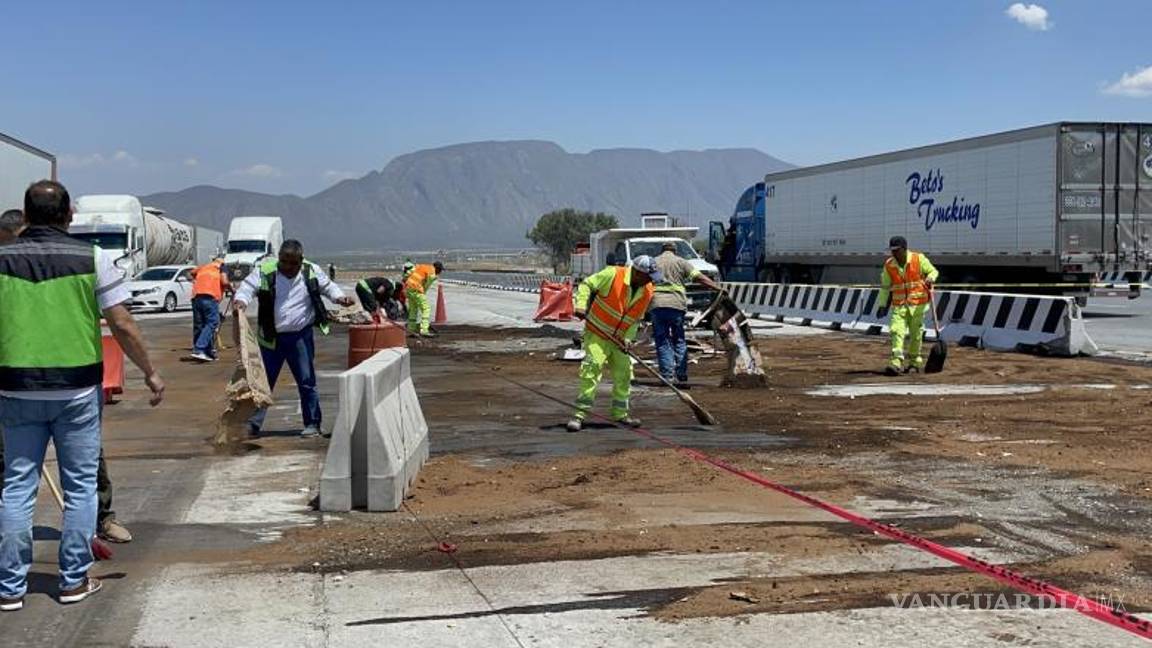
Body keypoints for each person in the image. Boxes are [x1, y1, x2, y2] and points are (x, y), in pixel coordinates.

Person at [0, 180, 164, 611]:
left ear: (26, 213)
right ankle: (72, 581)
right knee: (80, 488)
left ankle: (10, 587)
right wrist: (149, 372)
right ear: (68, 214)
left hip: (17, 389)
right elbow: (123, 324)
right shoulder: (93, 259)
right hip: (75, 391)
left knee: (17, 488)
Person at [0, 209, 133, 545]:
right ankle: (19, 544)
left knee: (85, 467)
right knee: (13, 473)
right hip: (15, 383)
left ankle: (103, 518)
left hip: (66, 382)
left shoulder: (63, 264)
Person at [232, 240, 354, 438]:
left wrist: (340, 298)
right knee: (261, 382)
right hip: (271, 338)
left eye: (292, 263)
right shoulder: (266, 269)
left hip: (299, 337)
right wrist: (241, 302)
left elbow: (328, 287)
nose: (287, 267)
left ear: (301, 261)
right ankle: (253, 424)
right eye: (283, 261)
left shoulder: (310, 271)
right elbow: (247, 287)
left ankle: (313, 423)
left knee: (306, 380)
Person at [566, 255, 658, 432]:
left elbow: (635, 319)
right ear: (638, 273)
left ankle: (621, 414)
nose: (650, 281)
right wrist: (581, 305)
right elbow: (587, 284)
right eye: (648, 277)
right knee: (591, 370)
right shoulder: (613, 274)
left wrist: (628, 339)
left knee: (624, 375)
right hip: (598, 334)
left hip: (619, 340)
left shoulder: (647, 290)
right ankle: (579, 415)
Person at [650, 242, 723, 386]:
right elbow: (700, 278)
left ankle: (667, 375)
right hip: (676, 305)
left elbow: (645, 281)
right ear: (675, 251)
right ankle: (681, 374)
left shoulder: (654, 262)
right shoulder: (681, 262)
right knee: (679, 338)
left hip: (657, 304)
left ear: (662, 250)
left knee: (662, 340)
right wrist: (717, 288)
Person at [876, 236, 939, 376]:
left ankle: (914, 363)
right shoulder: (889, 265)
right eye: (892, 251)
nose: (894, 254)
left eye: (896, 250)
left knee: (916, 335)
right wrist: (882, 304)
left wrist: (930, 278)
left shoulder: (918, 259)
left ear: (904, 249)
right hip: (899, 306)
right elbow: (885, 287)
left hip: (918, 306)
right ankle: (896, 362)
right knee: (896, 331)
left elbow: (933, 271)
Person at [188, 257, 231, 362]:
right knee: (212, 322)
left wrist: (197, 281)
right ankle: (199, 349)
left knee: (200, 325)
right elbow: (225, 282)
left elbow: (190, 274)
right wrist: (232, 289)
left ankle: (207, 352)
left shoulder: (205, 267)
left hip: (196, 297)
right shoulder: (222, 267)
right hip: (210, 297)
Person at [404, 261, 443, 337]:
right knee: (426, 309)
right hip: (417, 290)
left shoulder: (423, 266)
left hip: (408, 288)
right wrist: (422, 293)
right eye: (440, 270)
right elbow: (426, 286)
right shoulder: (432, 273)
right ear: (437, 269)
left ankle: (411, 329)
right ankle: (424, 330)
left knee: (413, 310)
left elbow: (408, 273)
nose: (440, 272)